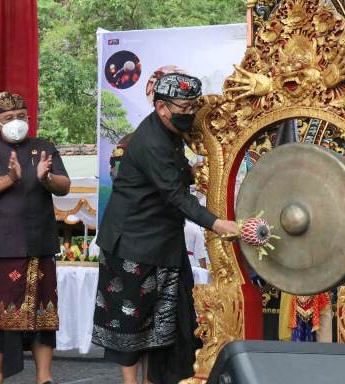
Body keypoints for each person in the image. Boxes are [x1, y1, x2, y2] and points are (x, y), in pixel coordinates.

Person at [92, 73, 238, 384]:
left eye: (193, 106)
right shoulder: (150, 141)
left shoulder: (171, 132)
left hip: (164, 242)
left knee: (168, 325)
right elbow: (174, 195)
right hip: (132, 243)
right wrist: (217, 223)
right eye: (184, 107)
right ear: (161, 106)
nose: (190, 113)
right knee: (132, 321)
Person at [0, 91, 70, 384]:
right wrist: (9, 178)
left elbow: (64, 185)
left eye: (21, 117)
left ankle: (44, 377)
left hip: (38, 244)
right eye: (9, 118)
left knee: (42, 315)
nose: (16, 122)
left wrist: (45, 178)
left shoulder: (44, 147)